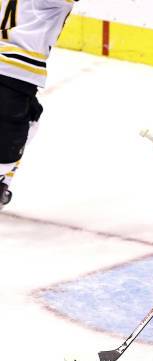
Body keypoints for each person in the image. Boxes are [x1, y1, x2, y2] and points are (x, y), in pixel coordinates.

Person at [0, 0, 79, 209]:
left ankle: (3, 182)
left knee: (31, 118)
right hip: (15, 71)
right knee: (12, 139)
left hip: (12, 69)